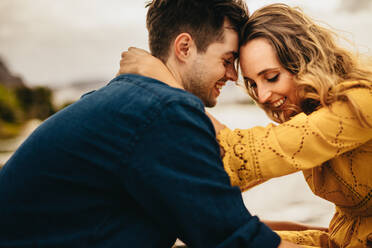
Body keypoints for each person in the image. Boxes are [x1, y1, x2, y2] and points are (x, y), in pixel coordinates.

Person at [0, 1, 299, 247]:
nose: (233, 76)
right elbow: (234, 240)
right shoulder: (166, 111)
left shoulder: (127, 102)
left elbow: (206, 220)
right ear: (184, 47)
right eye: (226, 60)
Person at [116, 3, 372, 248]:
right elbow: (227, 176)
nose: (262, 96)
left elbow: (243, 153)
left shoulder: (359, 103)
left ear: (306, 61)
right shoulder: (309, 114)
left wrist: (161, 79)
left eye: (271, 77)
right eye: (252, 83)